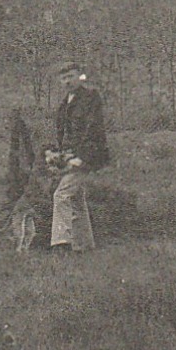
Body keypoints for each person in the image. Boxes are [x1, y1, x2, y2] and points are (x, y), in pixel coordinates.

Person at [49, 60, 109, 253]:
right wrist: (56, 153)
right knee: (75, 198)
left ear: (80, 77)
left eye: (71, 76)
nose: (67, 81)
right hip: (70, 155)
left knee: (61, 195)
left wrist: (81, 158)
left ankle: (61, 244)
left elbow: (94, 130)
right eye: (64, 78)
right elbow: (62, 134)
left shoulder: (91, 98)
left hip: (88, 155)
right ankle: (84, 245)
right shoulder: (65, 103)